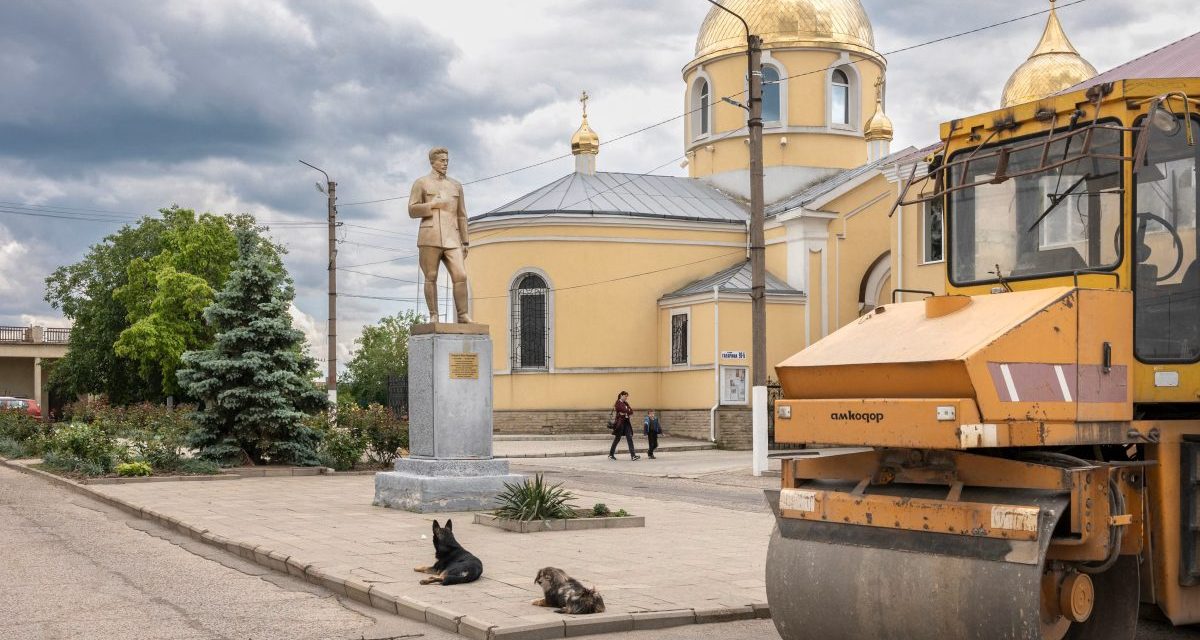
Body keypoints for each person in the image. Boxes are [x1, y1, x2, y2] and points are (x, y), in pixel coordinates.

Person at [408, 146, 472, 323]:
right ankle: (434, 315)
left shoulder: (455, 185)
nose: (445, 163)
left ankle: (463, 315)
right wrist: (431, 205)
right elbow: (412, 210)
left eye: (447, 160)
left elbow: (461, 214)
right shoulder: (421, 183)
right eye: (442, 160)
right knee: (431, 276)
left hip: (453, 238)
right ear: (432, 161)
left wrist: (465, 241)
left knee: (461, 276)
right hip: (430, 235)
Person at [608, 391, 639, 461]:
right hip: (620, 423)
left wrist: (626, 412)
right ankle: (611, 454)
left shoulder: (626, 403)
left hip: (626, 423)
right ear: (621, 395)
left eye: (627, 396)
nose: (626, 398)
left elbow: (631, 411)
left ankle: (633, 456)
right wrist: (626, 411)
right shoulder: (617, 403)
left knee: (629, 438)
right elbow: (623, 410)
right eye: (625, 396)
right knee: (617, 439)